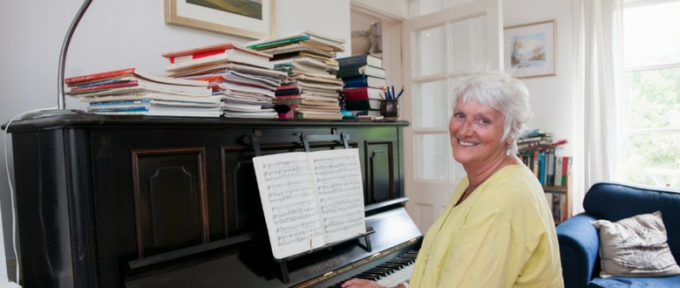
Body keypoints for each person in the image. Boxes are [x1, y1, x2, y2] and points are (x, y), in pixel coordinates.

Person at [342, 69, 564, 288]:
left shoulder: (501, 199)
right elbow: (444, 269)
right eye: (460, 115)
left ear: (512, 132)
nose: (465, 130)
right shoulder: (475, 180)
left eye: (483, 121)